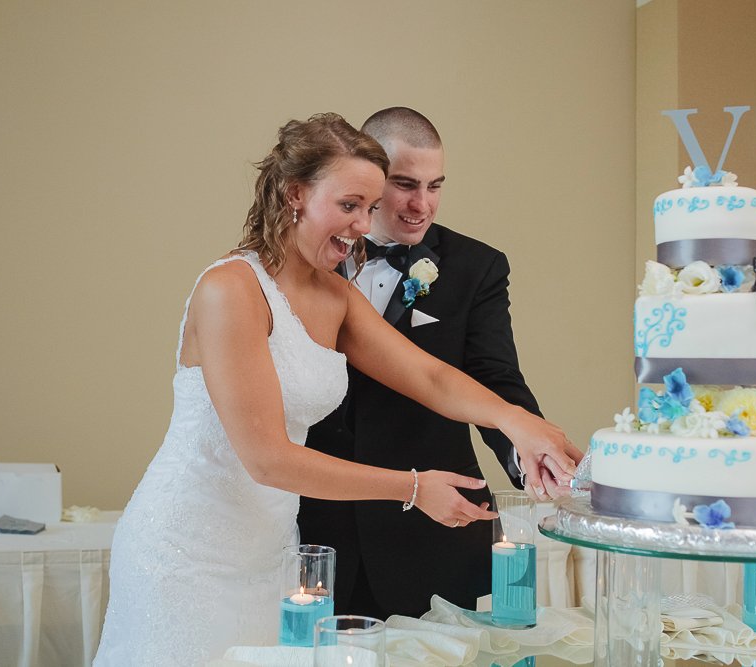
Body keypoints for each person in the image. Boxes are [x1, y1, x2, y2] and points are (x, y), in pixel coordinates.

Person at [93, 113, 581, 666]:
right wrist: (413, 487)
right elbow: (268, 460)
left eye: (369, 208)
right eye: (350, 205)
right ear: (294, 194)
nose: (362, 225)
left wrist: (519, 423)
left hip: (272, 552)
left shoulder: (334, 296)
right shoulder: (230, 289)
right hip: (189, 549)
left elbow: (430, 376)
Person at [297, 107, 551, 619]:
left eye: (435, 186)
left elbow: (494, 378)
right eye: (405, 185)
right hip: (315, 526)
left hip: (435, 530)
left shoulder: (477, 267)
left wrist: (528, 455)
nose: (422, 204)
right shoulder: (304, 263)